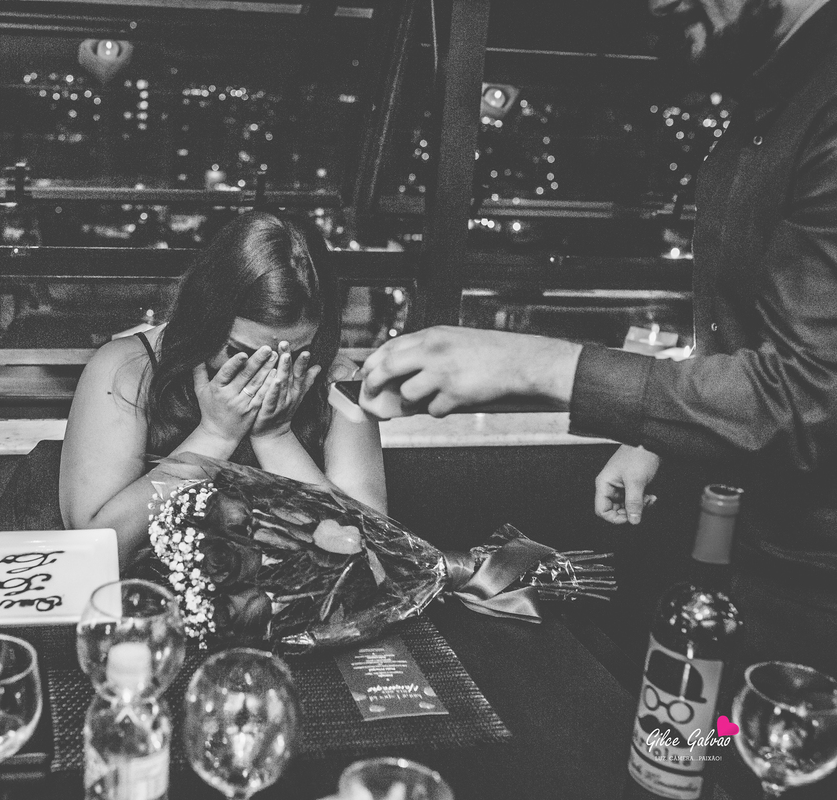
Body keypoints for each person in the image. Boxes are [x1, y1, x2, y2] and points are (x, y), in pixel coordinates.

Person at [358, 0, 837, 674]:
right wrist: (657, 436)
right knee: (701, 726)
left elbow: (810, 391)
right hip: (751, 537)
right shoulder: (769, 101)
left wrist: (537, 365)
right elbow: (765, 335)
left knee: (752, 737)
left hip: (816, 588)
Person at [61, 211, 387, 565]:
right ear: (205, 318)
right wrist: (215, 436)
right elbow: (94, 546)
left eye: (292, 356)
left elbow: (375, 552)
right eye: (241, 353)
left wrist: (276, 438)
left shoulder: (339, 381)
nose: (270, 376)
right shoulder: (127, 368)